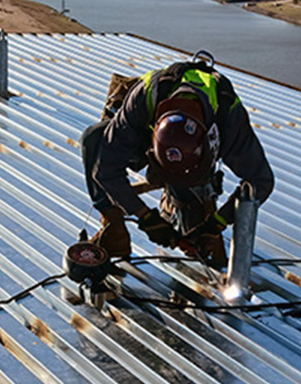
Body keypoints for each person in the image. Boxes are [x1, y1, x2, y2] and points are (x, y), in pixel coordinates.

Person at [81, 52, 274, 267]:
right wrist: (146, 217)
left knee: (194, 239)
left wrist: (216, 224)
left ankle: (187, 200)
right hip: (149, 137)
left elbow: (261, 180)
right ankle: (113, 228)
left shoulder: (228, 116)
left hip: (198, 161)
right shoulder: (144, 96)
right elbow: (106, 171)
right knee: (94, 139)